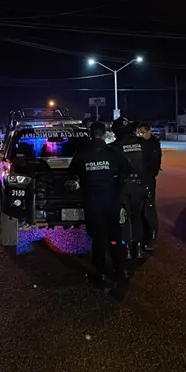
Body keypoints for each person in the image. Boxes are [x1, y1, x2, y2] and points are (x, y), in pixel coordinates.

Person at [70, 122, 132, 287]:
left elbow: (72, 174)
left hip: (93, 203)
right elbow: (127, 169)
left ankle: (100, 273)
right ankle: (120, 270)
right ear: (104, 134)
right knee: (115, 237)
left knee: (98, 239)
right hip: (111, 202)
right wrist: (117, 183)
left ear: (90, 134)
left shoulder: (82, 154)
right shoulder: (113, 153)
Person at [109, 117, 148, 260]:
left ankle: (126, 249)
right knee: (137, 216)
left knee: (123, 219)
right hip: (140, 186)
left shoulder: (114, 148)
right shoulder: (142, 144)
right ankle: (137, 248)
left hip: (123, 187)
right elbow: (151, 164)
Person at [137, 123, 162, 250]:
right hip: (142, 179)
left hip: (149, 179)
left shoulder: (154, 143)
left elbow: (155, 162)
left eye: (142, 132)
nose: (141, 135)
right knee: (140, 209)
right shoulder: (140, 142)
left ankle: (151, 238)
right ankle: (143, 237)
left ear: (149, 131)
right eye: (139, 133)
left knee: (149, 209)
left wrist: (150, 175)